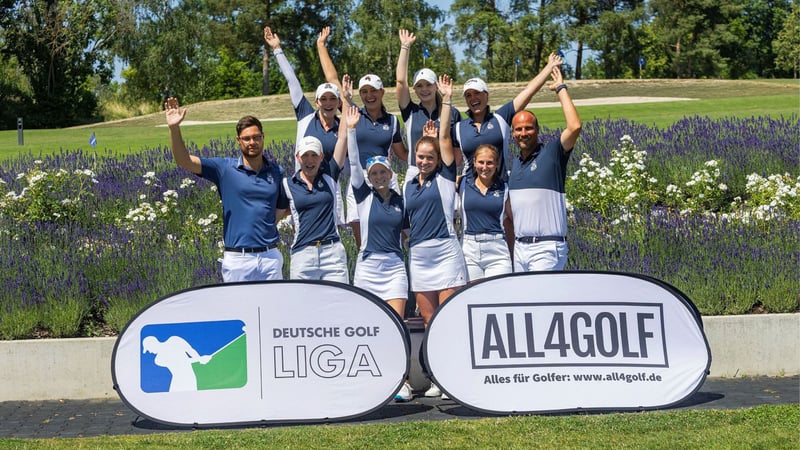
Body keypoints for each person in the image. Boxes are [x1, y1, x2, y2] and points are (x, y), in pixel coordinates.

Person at [165, 97, 289, 282]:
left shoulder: (276, 171)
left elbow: (283, 208)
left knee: (273, 310)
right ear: (239, 141)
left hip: (269, 256)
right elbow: (184, 161)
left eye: (256, 137)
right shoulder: (224, 169)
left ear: (263, 138)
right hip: (238, 259)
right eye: (246, 138)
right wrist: (174, 128)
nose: (252, 142)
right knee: (237, 311)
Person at [343, 101, 412, 401]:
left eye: (384, 172)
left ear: (389, 173)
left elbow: (410, 233)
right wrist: (351, 131)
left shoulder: (401, 200)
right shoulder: (362, 195)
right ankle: (370, 378)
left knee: (396, 324)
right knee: (367, 324)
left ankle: (403, 380)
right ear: (369, 176)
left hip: (395, 267)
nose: (380, 176)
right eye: (375, 173)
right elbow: (353, 160)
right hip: (368, 267)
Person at [404, 74, 466, 399]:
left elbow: (443, 136)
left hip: (445, 252)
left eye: (429, 157)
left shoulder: (445, 175)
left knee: (448, 319)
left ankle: (456, 377)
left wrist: (446, 102)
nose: (425, 160)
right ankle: (439, 379)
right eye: (420, 156)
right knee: (430, 322)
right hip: (419, 256)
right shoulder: (409, 182)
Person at [317, 27, 407, 248]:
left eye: (373, 91)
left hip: (386, 177)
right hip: (360, 180)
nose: (369, 95)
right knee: (362, 239)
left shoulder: (393, 121)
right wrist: (321, 46)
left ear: (381, 92)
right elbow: (332, 79)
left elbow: (402, 154)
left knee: (395, 235)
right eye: (364, 91)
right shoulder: (352, 113)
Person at [264, 26, 346, 224]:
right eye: (323, 99)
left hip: (328, 189)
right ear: (317, 102)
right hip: (302, 186)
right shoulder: (305, 116)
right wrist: (277, 49)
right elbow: (292, 82)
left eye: (332, 99)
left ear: (338, 102)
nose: (328, 103)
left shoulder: (342, 126)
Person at [507, 65, 581, 271]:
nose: (523, 133)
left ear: (538, 130)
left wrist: (561, 88)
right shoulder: (514, 165)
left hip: (547, 247)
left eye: (528, 128)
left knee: (541, 301)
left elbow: (575, 126)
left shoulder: (552, 154)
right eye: (518, 129)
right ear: (513, 133)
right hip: (521, 248)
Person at [455, 53, 564, 180]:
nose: (473, 98)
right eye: (468, 95)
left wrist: (549, 67)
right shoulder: (458, 128)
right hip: (468, 192)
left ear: (487, 95)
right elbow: (452, 162)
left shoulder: (501, 118)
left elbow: (528, 91)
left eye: (477, 93)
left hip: (500, 190)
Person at [283, 104, 350, 282]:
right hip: (303, 255)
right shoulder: (288, 185)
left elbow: (342, 138)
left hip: (332, 253)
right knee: (303, 307)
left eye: (314, 155)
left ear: (322, 157)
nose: (310, 161)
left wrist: (346, 101)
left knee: (339, 303)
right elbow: (274, 215)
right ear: (298, 157)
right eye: (305, 156)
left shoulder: (330, 176)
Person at [395, 29, 461, 183]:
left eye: (428, 85)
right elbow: (400, 82)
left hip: (443, 173)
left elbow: (457, 152)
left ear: (436, 86)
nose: (424, 89)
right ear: (415, 90)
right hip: (415, 173)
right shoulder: (411, 112)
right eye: (419, 86)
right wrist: (405, 47)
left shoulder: (452, 113)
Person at [457, 143, 512, 282]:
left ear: (497, 164)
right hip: (469, 249)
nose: (485, 167)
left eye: (490, 163)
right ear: (474, 162)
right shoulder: (462, 183)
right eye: (481, 162)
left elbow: (513, 221)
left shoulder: (504, 188)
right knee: (474, 297)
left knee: (498, 298)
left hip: (497, 249)